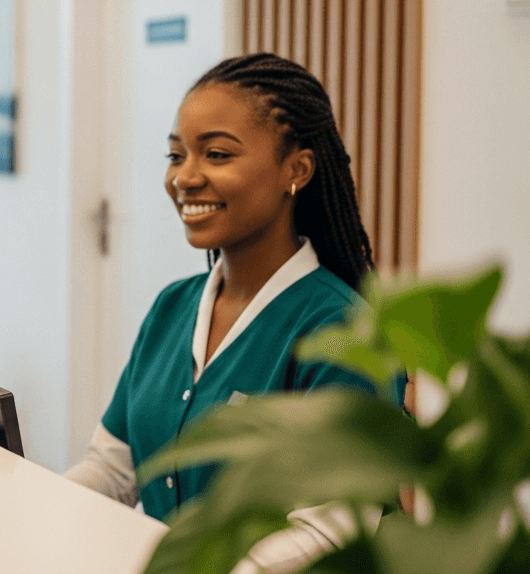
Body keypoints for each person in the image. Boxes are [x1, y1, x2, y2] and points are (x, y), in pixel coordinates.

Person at [63, 53, 402, 572]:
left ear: (297, 170)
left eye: (217, 155)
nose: (185, 178)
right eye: (176, 156)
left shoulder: (346, 332)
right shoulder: (172, 306)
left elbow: (328, 528)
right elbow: (115, 468)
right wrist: (38, 506)